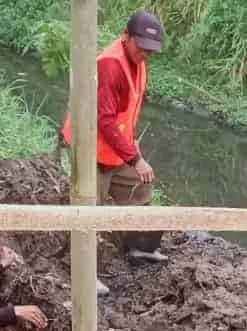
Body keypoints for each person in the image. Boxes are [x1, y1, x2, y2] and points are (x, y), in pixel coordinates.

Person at [61, 9, 166, 284]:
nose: (146, 54)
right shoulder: (110, 66)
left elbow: (124, 116)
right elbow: (104, 121)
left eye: (150, 50)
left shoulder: (138, 61)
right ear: (126, 38)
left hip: (117, 148)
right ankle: (83, 274)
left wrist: (134, 153)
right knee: (88, 210)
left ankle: (138, 247)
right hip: (91, 149)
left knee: (140, 187)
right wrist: (135, 158)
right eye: (142, 47)